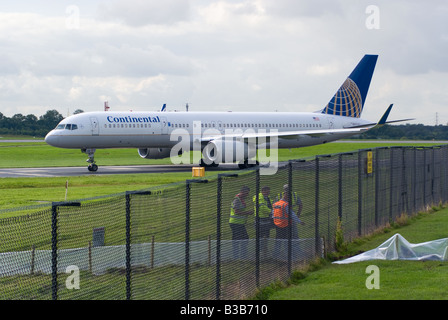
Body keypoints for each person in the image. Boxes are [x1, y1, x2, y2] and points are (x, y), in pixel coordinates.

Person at [272, 186, 304, 261]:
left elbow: (273, 212)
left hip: (280, 223)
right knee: (287, 239)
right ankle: (289, 255)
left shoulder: (294, 195)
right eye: (286, 190)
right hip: (286, 223)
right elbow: (291, 213)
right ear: (284, 192)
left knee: (282, 239)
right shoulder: (284, 203)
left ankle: (277, 255)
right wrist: (299, 220)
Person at [229, 185, 254, 260]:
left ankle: (241, 256)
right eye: (246, 193)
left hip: (239, 223)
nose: (247, 195)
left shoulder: (241, 199)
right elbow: (236, 212)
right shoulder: (237, 199)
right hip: (235, 223)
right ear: (242, 192)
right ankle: (238, 257)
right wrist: (248, 212)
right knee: (239, 239)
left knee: (243, 238)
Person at [253, 186, 273, 257]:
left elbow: (271, 205)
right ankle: (259, 253)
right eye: (267, 192)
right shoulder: (259, 197)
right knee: (260, 237)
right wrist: (272, 211)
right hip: (260, 220)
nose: (268, 193)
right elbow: (262, 208)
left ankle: (265, 252)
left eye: (269, 192)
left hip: (267, 220)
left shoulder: (268, 197)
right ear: (263, 191)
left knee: (266, 236)